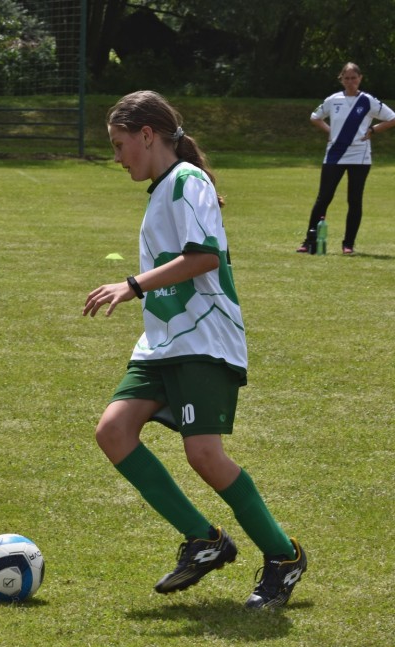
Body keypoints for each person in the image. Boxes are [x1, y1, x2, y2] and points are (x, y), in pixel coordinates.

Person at [83, 90, 307, 609]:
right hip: (163, 341)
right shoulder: (165, 188)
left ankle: (284, 556)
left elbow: (204, 257)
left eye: (118, 144)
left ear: (146, 135)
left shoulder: (188, 180)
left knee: (203, 453)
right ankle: (205, 540)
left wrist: (132, 285)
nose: (116, 157)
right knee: (113, 431)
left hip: (203, 338)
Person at [298, 62, 395, 255]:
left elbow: (392, 118)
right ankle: (309, 241)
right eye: (347, 78)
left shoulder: (368, 100)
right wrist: (330, 131)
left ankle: (348, 244)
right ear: (341, 79)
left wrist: (373, 130)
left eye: (354, 78)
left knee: (354, 200)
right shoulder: (333, 99)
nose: (350, 82)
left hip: (360, 156)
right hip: (334, 155)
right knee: (324, 198)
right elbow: (315, 117)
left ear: (360, 78)